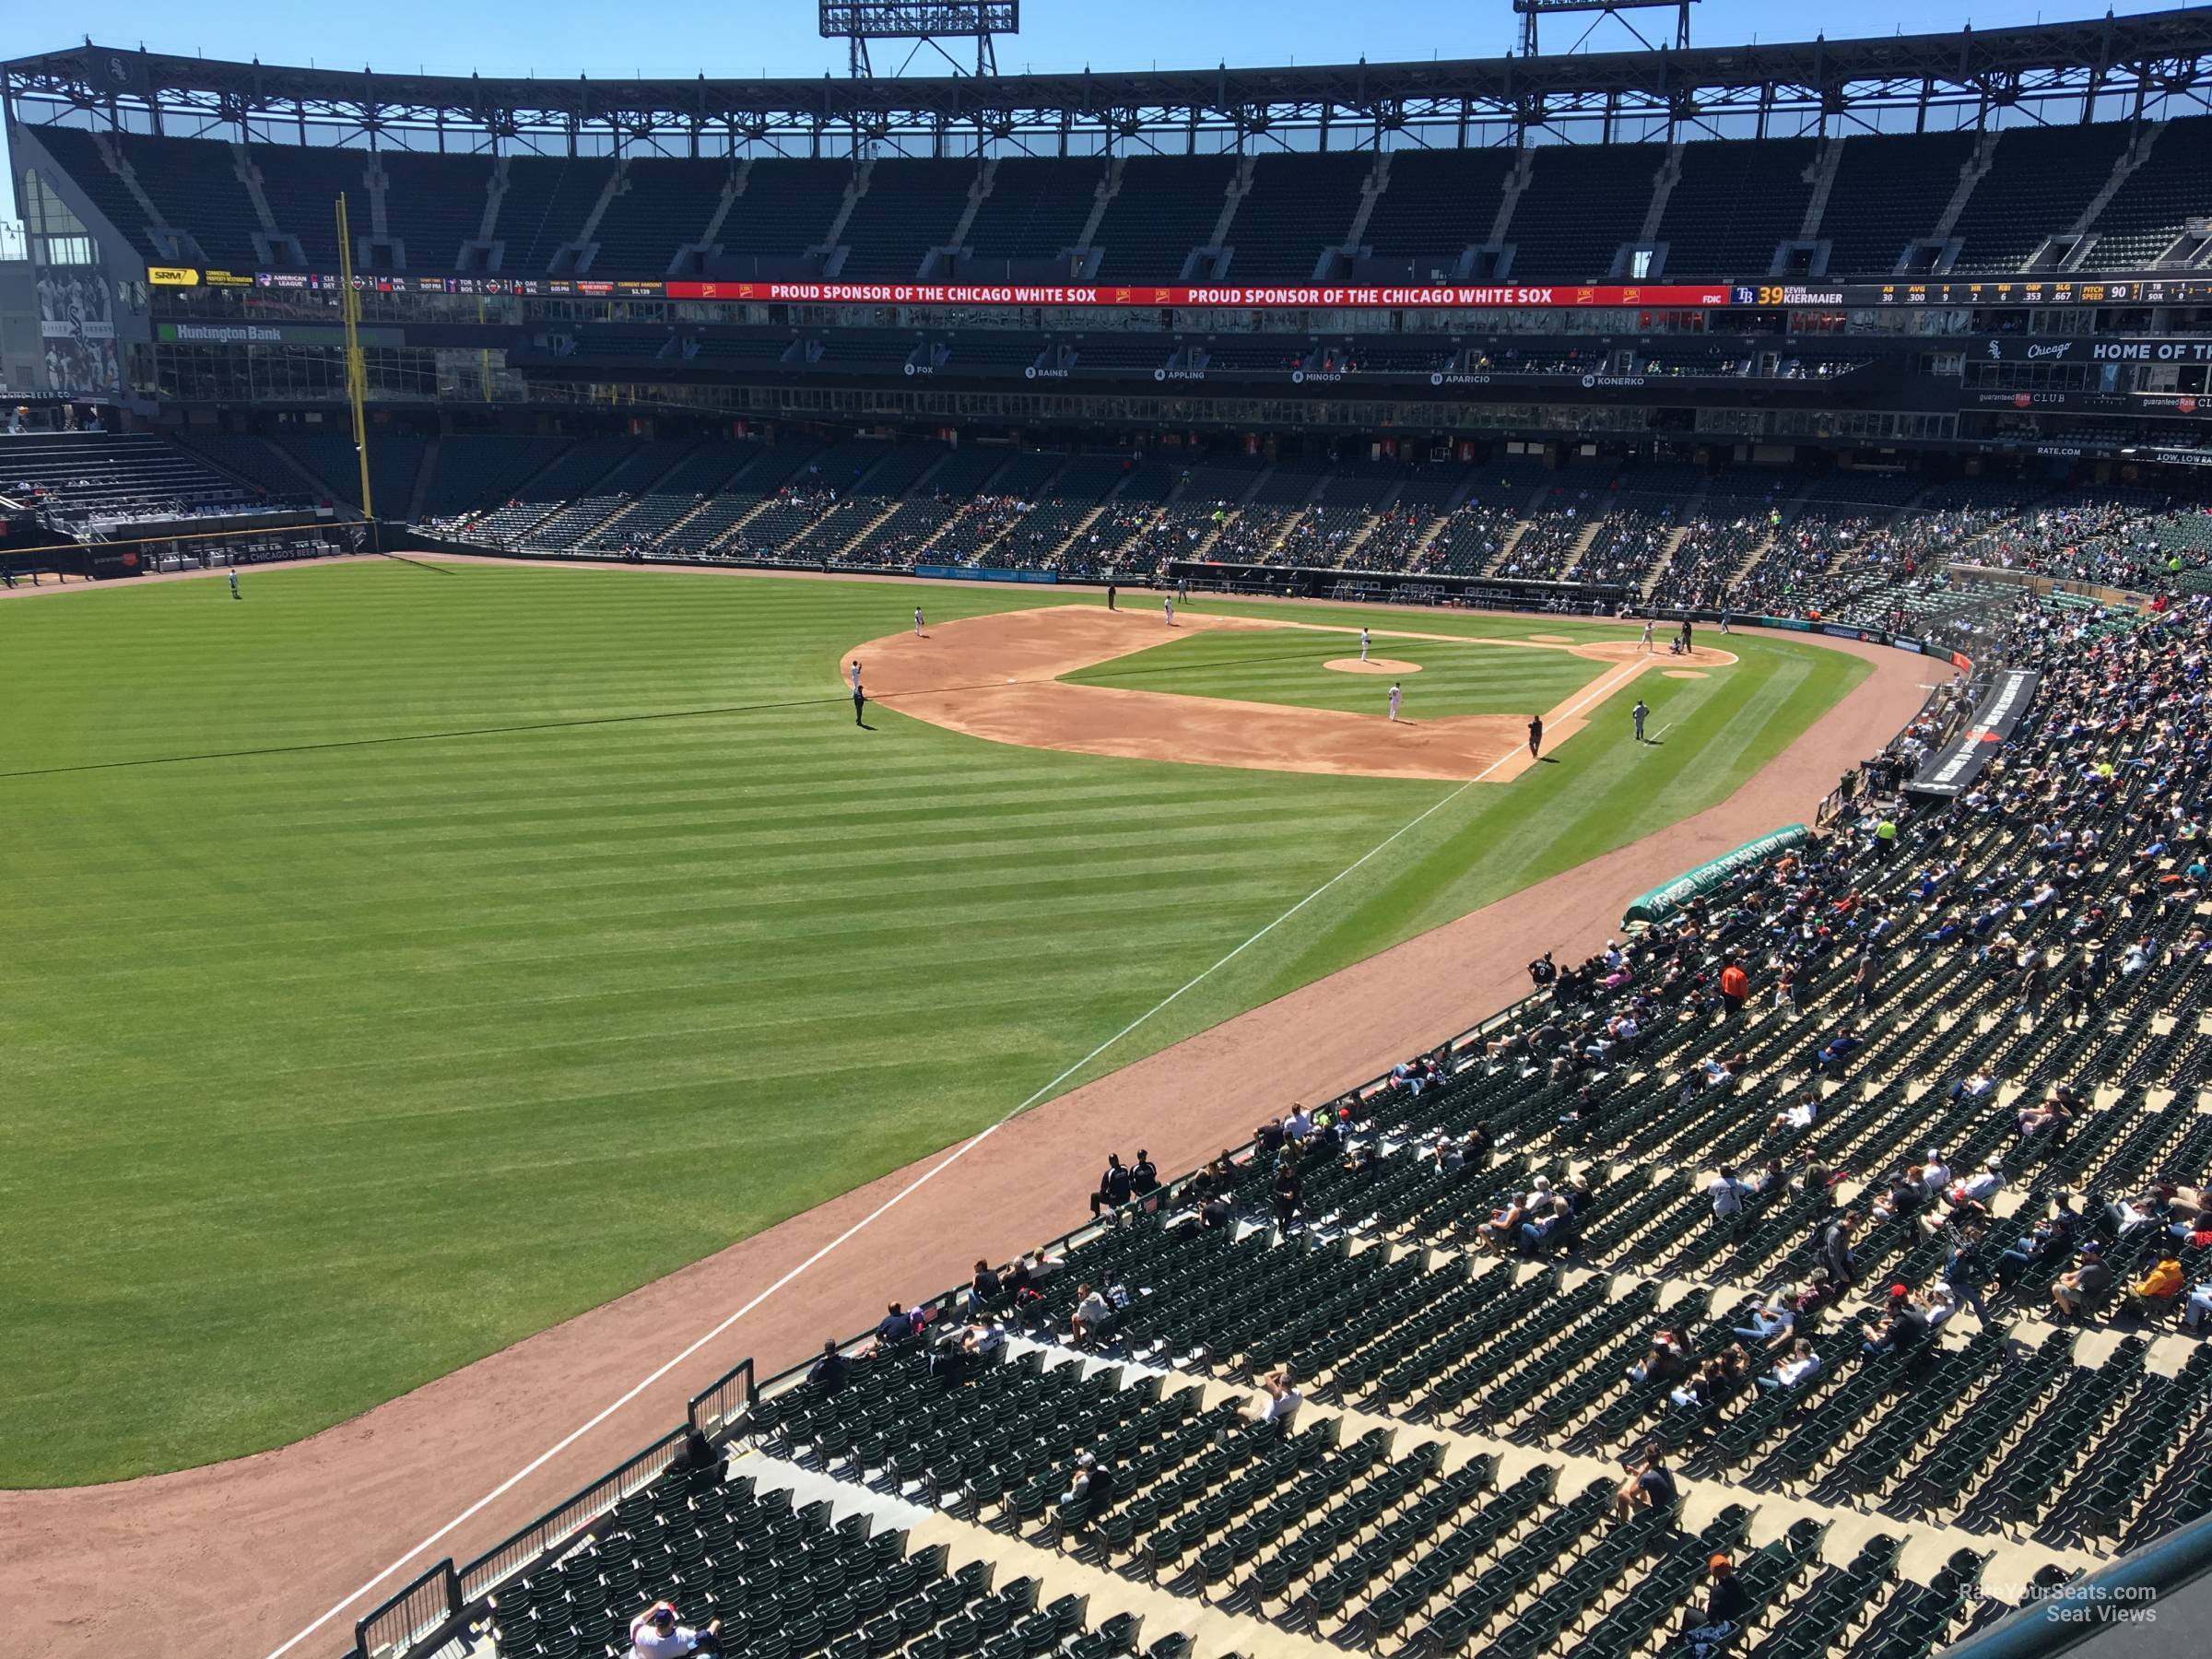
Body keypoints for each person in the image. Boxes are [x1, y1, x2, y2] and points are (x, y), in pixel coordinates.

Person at [630, 1601, 720, 1658]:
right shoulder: (683, 1636)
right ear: (671, 1622)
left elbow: (638, 1621)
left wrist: (656, 1607)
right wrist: (716, 1623)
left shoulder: (640, 1633)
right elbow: (705, 1636)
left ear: (655, 1621)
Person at [1615, 1446, 1677, 1522]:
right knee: (1644, 1487)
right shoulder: (1667, 1471)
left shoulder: (1647, 1478)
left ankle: (1623, 1528)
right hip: (1668, 1511)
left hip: (1655, 1515)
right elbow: (1652, 1479)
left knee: (1622, 1494)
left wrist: (1642, 1472)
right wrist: (1635, 1472)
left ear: (1645, 1458)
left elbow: (1631, 1492)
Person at [1090, 1154, 1133, 1218]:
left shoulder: (1109, 1173)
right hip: (1127, 1197)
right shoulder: (1125, 1168)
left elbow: (1103, 1190)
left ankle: (1097, 1217)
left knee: (1094, 1196)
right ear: (1118, 1160)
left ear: (1110, 1162)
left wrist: (1109, 1193)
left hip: (1115, 1200)